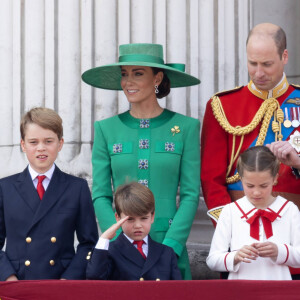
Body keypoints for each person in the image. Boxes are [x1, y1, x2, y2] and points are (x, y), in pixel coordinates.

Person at [82, 43, 201, 279]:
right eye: (124, 74)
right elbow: (101, 194)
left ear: (157, 78)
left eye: (138, 74)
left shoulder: (186, 128)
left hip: (169, 246)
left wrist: (171, 246)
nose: (128, 82)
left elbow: (190, 194)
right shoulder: (106, 129)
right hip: (120, 254)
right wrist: (119, 240)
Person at [201, 23, 300, 225]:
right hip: (240, 222)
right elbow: (211, 179)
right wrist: (229, 229)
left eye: (267, 64)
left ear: (285, 57)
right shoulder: (221, 105)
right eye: (252, 63)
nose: (258, 73)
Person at [0, 107, 98, 281]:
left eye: (48, 141)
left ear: (60, 144)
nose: (41, 148)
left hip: (61, 283)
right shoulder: (5, 188)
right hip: (18, 283)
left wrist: (68, 280)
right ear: (23, 144)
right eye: (33, 142)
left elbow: (88, 244)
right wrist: (8, 277)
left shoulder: (77, 188)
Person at [206, 146, 300, 280]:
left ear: (275, 178)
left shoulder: (289, 210)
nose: (256, 192)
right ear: (241, 179)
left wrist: (280, 251)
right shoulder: (230, 211)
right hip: (240, 291)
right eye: (250, 186)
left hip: (279, 290)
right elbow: (213, 260)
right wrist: (236, 256)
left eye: (263, 186)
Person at [86, 182, 182, 280]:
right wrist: (104, 238)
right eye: (130, 219)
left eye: (144, 218)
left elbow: (177, 291)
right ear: (118, 218)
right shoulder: (109, 252)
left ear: (152, 217)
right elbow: (94, 278)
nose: (137, 225)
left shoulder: (166, 253)